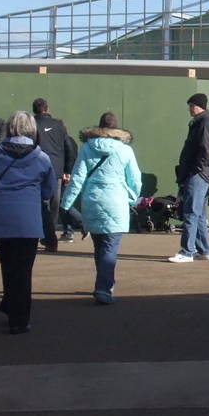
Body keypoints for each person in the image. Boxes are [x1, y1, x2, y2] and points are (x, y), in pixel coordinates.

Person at [0, 111, 57, 335]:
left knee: (8, 267)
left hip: (1, 219)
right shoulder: (42, 158)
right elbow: (48, 190)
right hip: (28, 221)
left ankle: (11, 306)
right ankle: (19, 318)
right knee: (23, 270)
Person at [60, 112, 141, 305]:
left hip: (92, 201)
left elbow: (78, 178)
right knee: (110, 247)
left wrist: (66, 203)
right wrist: (131, 197)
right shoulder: (125, 150)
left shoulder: (87, 148)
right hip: (116, 202)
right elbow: (135, 179)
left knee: (99, 246)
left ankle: (106, 281)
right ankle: (104, 288)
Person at [168, 92, 209, 263]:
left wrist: (195, 171)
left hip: (198, 175)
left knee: (190, 212)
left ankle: (187, 251)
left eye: (191, 105)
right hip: (200, 174)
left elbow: (206, 150)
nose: (189, 109)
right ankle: (204, 251)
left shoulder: (204, 123)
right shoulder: (201, 123)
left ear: (198, 106)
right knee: (199, 214)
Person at [32, 98, 77, 253]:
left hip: (38, 170)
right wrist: (67, 170)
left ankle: (48, 238)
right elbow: (69, 147)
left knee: (42, 205)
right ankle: (48, 237)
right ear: (47, 108)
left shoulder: (32, 125)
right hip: (56, 171)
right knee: (53, 205)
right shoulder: (59, 126)